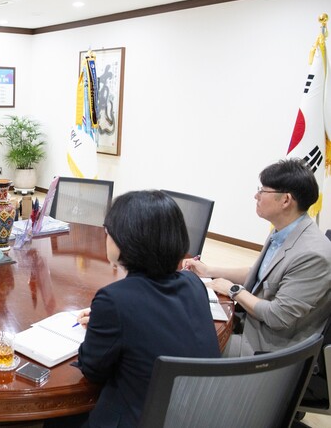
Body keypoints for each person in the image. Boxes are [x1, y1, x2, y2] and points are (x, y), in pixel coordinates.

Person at [56, 190, 220, 428]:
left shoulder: (114, 300)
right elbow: (158, 324)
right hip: (193, 415)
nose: (106, 237)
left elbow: (93, 370)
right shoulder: (193, 283)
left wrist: (104, 328)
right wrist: (108, 324)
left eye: (108, 232)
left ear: (126, 242)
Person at [183, 158, 331, 357]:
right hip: (249, 323)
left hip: (267, 350)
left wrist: (233, 290)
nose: (256, 196)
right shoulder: (285, 230)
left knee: (184, 342)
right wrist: (209, 270)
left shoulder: (313, 254)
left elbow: (277, 316)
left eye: (262, 191)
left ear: (286, 200)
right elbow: (262, 276)